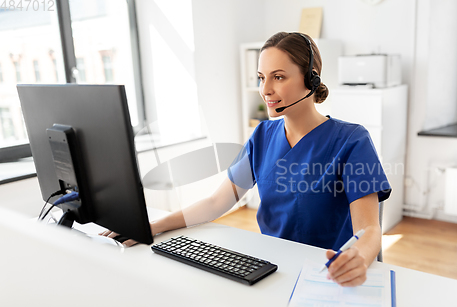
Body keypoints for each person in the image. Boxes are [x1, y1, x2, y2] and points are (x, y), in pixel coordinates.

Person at [103, 32, 391, 287]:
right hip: (273, 271)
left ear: (311, 77)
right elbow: (216, 203)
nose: (265, 90)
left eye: (278, 77)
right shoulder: (263, 135)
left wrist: (359, 257)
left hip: (329, 275)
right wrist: (151, 226)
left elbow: (369, 230)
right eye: (261, 77)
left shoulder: (352, 140)